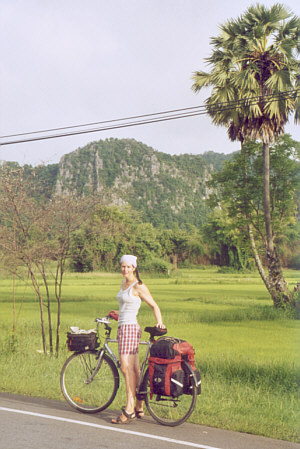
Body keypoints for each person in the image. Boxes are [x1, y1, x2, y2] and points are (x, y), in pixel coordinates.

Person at [111, 254, 165, 424]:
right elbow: (126, 306)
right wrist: (116, 315)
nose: (125, 269)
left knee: (126, 369)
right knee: (134, 369)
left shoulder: (138, 286)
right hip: (122, 326)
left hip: (130, 328)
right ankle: (139, 405)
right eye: (122, 266)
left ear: (134, 267)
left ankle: (129, 408)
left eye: (128, 266)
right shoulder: (123, 283)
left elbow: (154, 305)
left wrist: (159, 322)